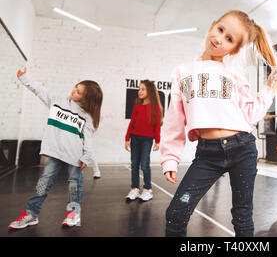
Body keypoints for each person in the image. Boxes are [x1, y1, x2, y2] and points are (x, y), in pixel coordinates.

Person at [160, 10, 277, 237]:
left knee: (242, 216)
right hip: (208, 155)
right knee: (176, 212)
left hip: (242, 148)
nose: (219, 38)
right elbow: (174, 119)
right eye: (220, 29)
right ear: (212, 25)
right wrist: (170, 157)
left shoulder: (234, 76)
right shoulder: (181, 72)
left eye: (229, 39)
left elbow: (249, 114)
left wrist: (268, 89)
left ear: (233, 49)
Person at [9, 67, 103, 229]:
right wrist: (24, 78)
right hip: (54, 153)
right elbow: (39, 90)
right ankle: (32, 213)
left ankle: (73, 213)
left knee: (74, 184)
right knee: (43, 182)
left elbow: (88, 140)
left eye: (79, 92)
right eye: (76, 87)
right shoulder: (57, 101)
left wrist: (86, 157)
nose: (74, 91)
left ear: (87, 99)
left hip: (74, 157)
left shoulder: (87, 117)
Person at [125, 80, 162, 202]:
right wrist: (127, 138)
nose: (139, 91)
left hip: (147, 140)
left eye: (143, 89)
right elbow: (131, 124)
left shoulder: (155, 108)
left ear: (149, 91)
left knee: (145, 164)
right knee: (134, 164)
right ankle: (134, 188)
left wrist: (157, 141)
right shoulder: (137, 107)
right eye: (139, 89)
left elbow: (157, 126)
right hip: (135, 138)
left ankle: (147, 189)